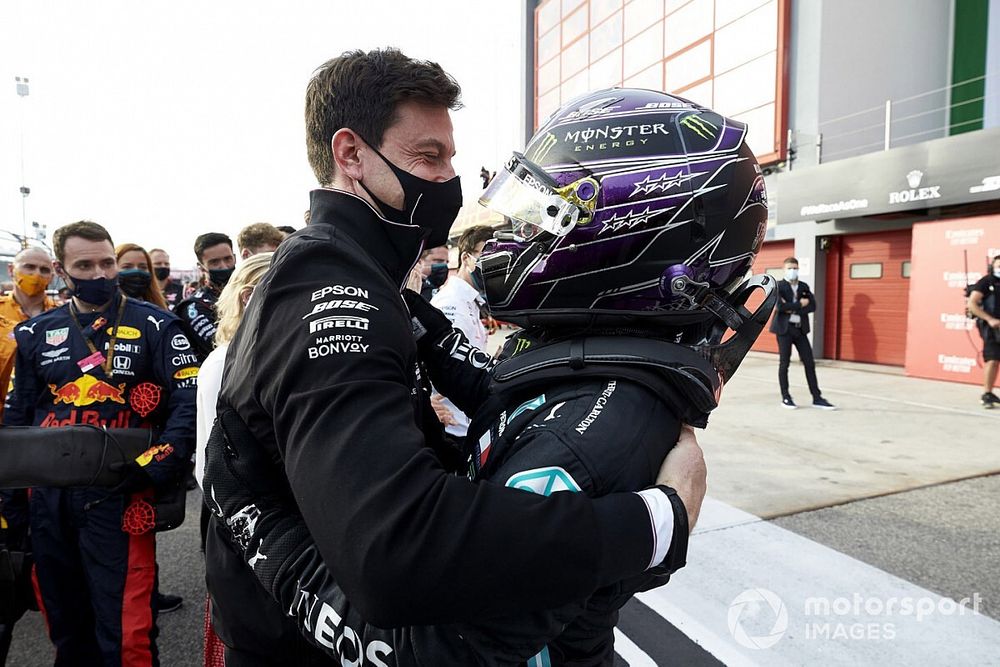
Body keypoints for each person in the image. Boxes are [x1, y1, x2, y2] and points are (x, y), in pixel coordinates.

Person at [203, 86, 777, 665]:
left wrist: (260, 523)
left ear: (628, 230)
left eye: (545, 216)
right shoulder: (595, 364)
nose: (510, 233)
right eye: (431, 158)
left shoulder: (589, 429)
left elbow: (417, 649)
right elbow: (498, 387)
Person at [3, 220, 198, 666]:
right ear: (60, 269)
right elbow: (16, 419)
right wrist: (12, 506)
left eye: (107, 262)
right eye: (85, 265)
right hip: (48, 499)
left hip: (121, 493)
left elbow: (188, 404)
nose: (100, 274)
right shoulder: (35, 334)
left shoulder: (157, 324)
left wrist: (155, 464)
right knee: (66, 627)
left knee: (126, 633)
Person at [0, 246, 55, 661]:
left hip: (44, 440)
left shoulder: (65, 317)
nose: (35, 275)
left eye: (43, 268)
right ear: (14, 271)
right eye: (28, 268)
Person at [429, 224, 493, 440]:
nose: (494, 264)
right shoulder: (451, 303)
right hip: (454, 426)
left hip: (465, 421)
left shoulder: (471, 301)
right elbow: (451, 369)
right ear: (466, 258)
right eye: (487, 256)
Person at [770, 257, 836, 410]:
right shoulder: (779, 286)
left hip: (800, 329)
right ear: (784, 270)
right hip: (784, 330)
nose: (793, 271)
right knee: (784, 363)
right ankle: (786, 397)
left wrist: (791, 307)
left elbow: (813, 306)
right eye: (790, 268)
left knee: (809, 363)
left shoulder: (804, 287)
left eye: (795, 268)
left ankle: (817, 398)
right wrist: (800, 304)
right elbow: (780, 307)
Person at [174, 233, 235, 360]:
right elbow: (221, 346)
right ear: (201, 266)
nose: (223, 266)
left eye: (228, 259)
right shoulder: (194, 307)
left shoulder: (249, 292)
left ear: (234, 257)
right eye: (214, 262)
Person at [967, 254, 1000, 408]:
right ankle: (987, 394)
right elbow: (972, 304)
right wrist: (990, 319)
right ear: (992, 267)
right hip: (993, 329)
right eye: (998, 266)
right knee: (992, 360)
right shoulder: (986, 282)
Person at [117, 243, 169, 309]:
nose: (136, 271)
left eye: (143, 267)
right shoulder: (104, 309)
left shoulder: (160, 310)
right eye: (127, 267)